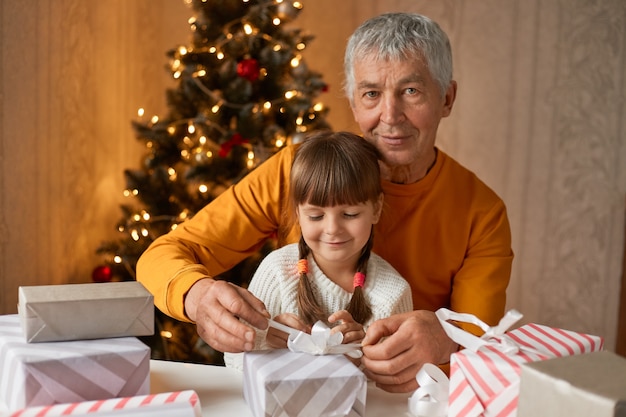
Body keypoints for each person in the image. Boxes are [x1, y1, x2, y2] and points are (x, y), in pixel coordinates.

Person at [136, 12, 513, 393]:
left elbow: (482, 341)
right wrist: (196, 296)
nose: (390, 116)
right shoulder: (293, 173)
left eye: (411, 91)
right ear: (352, 100)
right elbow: (163, 255)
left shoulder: (482, 213)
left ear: (446, 98)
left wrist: (447, 339)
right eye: (371, 94)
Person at [223, 131, 413, 371]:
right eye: (316, 216)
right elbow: (233, 364)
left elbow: (399, 382)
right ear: (298, 213)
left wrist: (362, 357)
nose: (332, 229)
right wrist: (267, 342)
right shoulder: (276, 272)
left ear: (376, 208)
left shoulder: (393, 293)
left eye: (350, 214)